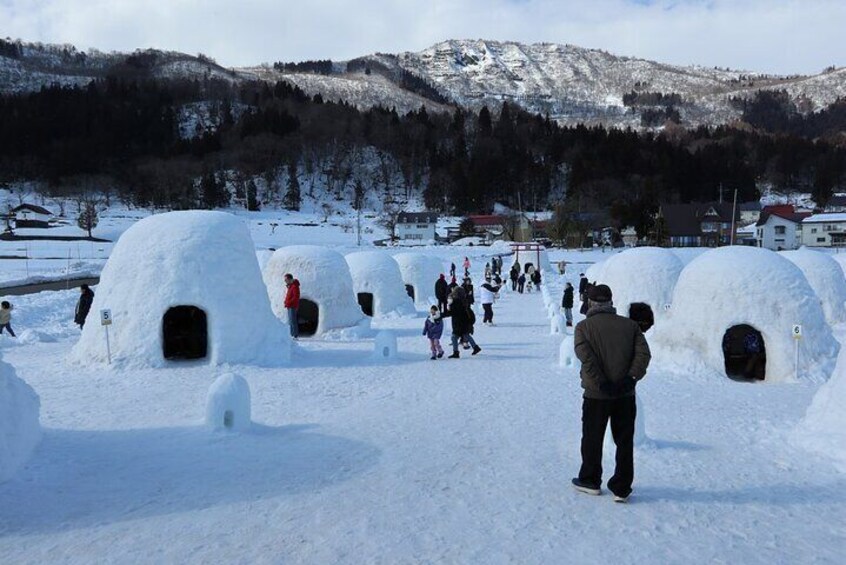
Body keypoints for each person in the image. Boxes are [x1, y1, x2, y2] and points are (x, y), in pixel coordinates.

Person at [572, 284, 651, 502]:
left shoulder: (583, 327)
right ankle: (622, 487)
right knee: (624, 441)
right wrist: (630, 379)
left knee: (592, 438)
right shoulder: (630, 326)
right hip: (625, 395)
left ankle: (590, 480)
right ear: (610, 302)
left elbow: (586, 359)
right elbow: (643, 355)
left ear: (591, 303)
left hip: (596, 395)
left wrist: (602, 384)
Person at [442, 286, 481, 358]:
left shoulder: (455, 302)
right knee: (466, 335)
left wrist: (443, 313)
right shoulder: (464, 301)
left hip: (458, 323)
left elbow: (452, 313)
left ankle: (456, 353)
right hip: (465, 323)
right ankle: (475, 347)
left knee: (454, 337)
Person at [283, 273, 300, 339]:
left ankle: (295, 335)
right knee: (290, 321)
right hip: (289, 306)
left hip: (292, 306)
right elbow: (289, 296)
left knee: (293, 321)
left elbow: (296, 297)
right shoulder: (291, 286)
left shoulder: (295, 286)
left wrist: (288, 303)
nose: (285, 281)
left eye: (286, 280)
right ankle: (291, 334)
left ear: (290, 279)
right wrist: (286, 302)